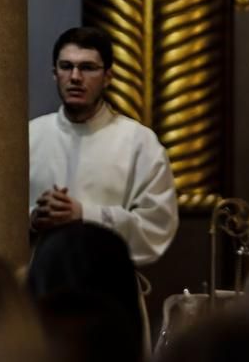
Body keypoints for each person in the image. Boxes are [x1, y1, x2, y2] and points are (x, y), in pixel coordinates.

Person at [28, 27, 178, 266]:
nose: (75, 77)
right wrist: (34, 218)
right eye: (66, 67)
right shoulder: (30, 136)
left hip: (107, 287)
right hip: (37, 286)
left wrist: (84, 215)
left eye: (87, 68)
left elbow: (156, 227)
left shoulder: (139, 143)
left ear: (108, 76)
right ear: (54, 73)